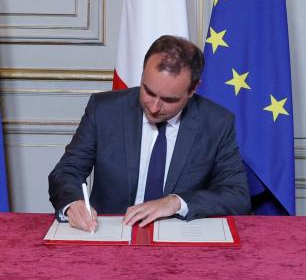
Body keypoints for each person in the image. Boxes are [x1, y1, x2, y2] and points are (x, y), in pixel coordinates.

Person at [48, 34, 251, 231]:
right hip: (109, 235)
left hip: (180, 243)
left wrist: (176, 202)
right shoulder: (104, 110)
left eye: (169, 100)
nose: (154, 107)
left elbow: (237, 196)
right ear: (143, 74)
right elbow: (67, 172)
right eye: (148, 91)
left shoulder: (216, 123)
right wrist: (72, 203)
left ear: (193, 89)